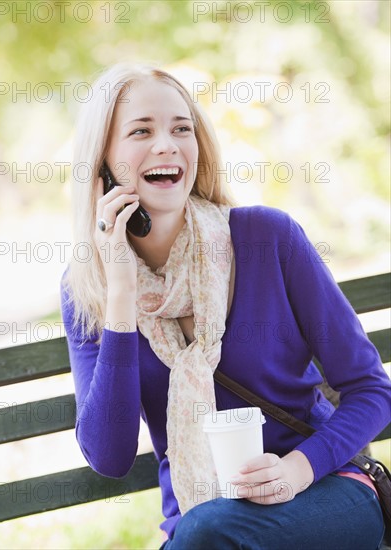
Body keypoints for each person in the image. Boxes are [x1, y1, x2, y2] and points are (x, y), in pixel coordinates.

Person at [61, 63, 390, 550]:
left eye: (181, 129)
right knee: (210, 531)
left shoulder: (267, 238)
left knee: (211, 534)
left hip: (326, 489)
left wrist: (296, 471)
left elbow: (370, 389)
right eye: (141, 131)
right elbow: (109, 457)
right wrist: (121, 296)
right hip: (201, 523)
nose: (167, 145)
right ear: (104, 161)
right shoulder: (88, 290)